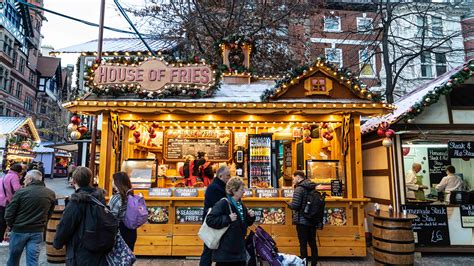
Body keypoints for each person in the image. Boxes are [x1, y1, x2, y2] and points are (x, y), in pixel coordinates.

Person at [53, 166, 109, 265]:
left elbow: (66, 225)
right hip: (99, 246)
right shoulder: (100, 197)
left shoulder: (76, 201)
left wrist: (58, 243)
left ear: (74, 181)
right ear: (90, 179)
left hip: (80, 249)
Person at [4, 170, 56, 266]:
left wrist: (11, 225)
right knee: (33, 261)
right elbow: (50, 213)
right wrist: (43, 224)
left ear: (30, 179)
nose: (23, 180)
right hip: (37, 231)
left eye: (26, 178)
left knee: (13, 260)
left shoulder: (21, 192)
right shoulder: (50, 193)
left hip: (19, 230)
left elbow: (9, 213)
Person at [206, 177, 256, 266]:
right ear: (234, 191)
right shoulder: (223, 203)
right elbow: (210, 220)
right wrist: (228, 218)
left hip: (239, 251)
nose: (244, 191)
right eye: (241, 189)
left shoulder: (240, 204)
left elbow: (244, 224)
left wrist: (250, 217)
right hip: (226, 254)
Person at [199, 166, 232, 266]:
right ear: (221, 176)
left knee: (212, 251)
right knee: (208, 251)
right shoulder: (215, 188)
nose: (229, 178)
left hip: (217, 222)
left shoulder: (219, 186)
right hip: (213, 224)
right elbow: (219, 206)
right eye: (228, 175)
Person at [287, 170, 318, 266]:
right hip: (312, 219)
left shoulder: (299, 189)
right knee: (313, 243)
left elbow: (295, 206)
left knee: (303, 244)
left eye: (293, 178)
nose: (293, 180)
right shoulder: (312, 187)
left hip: (302, 220)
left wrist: (288, 204)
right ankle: (314, 263)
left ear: (298, 177)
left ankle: (304, 263)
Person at [109, 172, 137, 251]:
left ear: (116, 182)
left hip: (119, 232)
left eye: (113, 180)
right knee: (127, 257)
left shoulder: (116, 198)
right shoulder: (131, 196)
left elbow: (111, 216)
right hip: (131, 231)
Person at [0, 163, 23, 243]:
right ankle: (9, 238)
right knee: (8, 220)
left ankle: (1, 238)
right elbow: (17, 190)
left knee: (2, 220)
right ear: (19, 171)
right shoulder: (14, 176)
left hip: (1, 201)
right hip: (7, 201)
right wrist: (22, 188)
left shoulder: (4, 176)